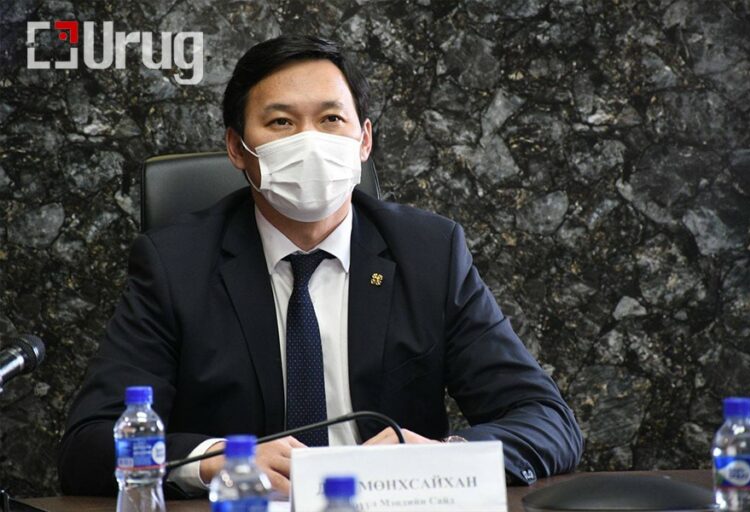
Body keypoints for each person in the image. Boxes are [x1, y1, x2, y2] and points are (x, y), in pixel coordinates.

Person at [58, 35, 583, 498]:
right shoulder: (177, 264)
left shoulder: (428, 252)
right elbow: (88, 447)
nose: (309, 141)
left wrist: (438, 457)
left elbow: (547, 421)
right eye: (281, 122)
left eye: (331, 119)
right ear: (237, 149)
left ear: (364, 141)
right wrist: (216, 460)